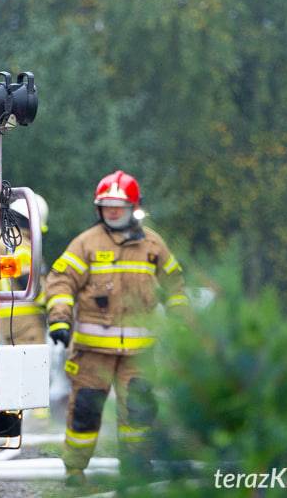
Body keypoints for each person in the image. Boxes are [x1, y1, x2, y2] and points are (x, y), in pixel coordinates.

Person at [45, 170, 188, 486]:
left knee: (137, 415)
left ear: (134, 207)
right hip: (92, 353)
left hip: (139, 354)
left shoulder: (152, 244)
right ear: (98, 209)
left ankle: (136, 472)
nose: (112, 211)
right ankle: (74, 472)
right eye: (106, 205)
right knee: (84, 412)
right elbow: (60, 282)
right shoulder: (86, 243)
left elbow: (175, 283)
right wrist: (59, 318)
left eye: (118, 206)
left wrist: (180, 320)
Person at [0, 195, 48, 345]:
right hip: (27, 325)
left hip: (6, 323)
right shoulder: (21, 247)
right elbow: (30, 284)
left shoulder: (4, 241)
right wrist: (56, 307)